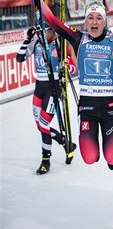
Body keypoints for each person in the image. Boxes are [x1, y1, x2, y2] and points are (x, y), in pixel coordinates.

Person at [27, 0, 113, 170]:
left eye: (99, 18)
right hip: (87, 106)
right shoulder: (78, 38)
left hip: (110, 105)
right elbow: (51, 19)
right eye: (90, 18)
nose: (94, 22)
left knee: (111, 159)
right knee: (90, 158)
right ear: (85, 22)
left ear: (105, 22)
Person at [16, 26, 77, 174]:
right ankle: (64, 142)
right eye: (38, 32)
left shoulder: (59, 44)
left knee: (44, 124)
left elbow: (75, 68)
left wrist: (66, 66)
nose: (40, 34)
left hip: (53, 88)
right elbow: (20, 58)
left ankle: (45, 161)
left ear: (52, 31)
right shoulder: (36, 43)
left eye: (44, 31)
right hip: (39, 88)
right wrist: (28, 39)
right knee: (40, 126)